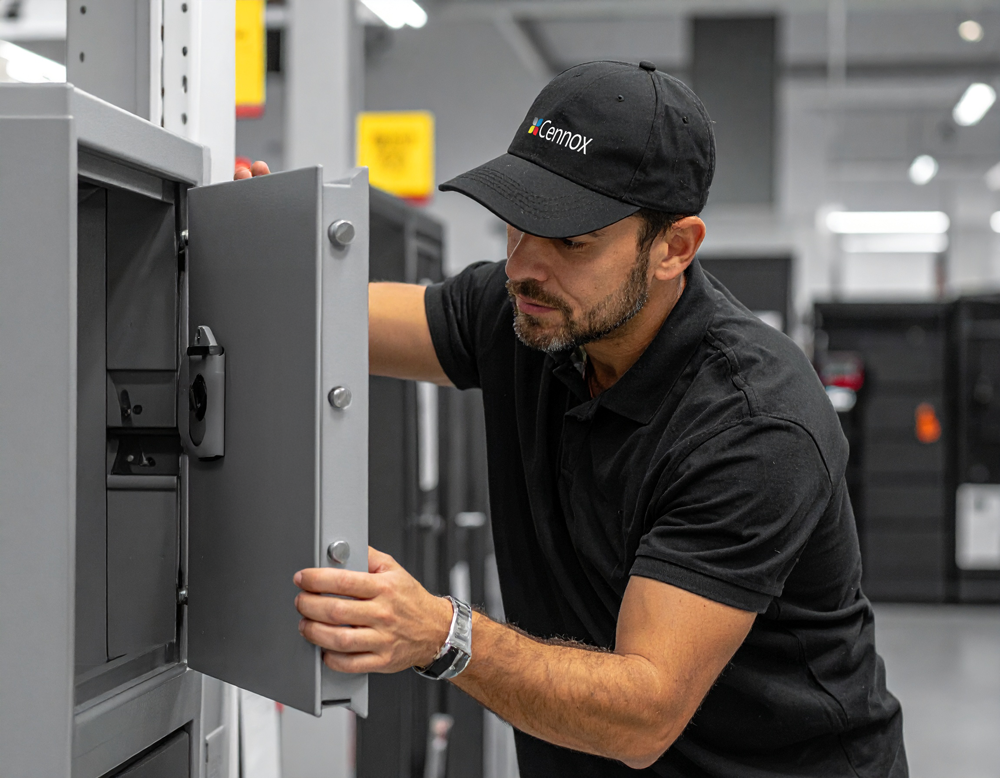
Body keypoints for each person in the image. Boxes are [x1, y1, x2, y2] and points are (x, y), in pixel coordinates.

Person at [239, 60, 906, 777]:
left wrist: (442, 634)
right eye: (516, 225)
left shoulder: (753, 422)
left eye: (572, 240)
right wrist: (260, 251)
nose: (525, 264)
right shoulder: (531, 310)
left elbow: (642, 713)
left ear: (673, 249)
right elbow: (334, 319)